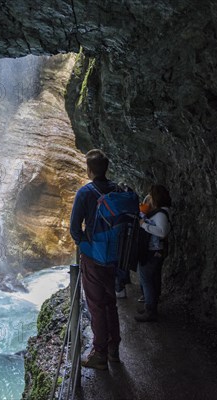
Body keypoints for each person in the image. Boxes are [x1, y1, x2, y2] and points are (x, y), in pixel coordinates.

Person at [69, 149, 121, 370]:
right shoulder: (117, 189)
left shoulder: (85, 192)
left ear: (89, 170)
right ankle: (113, 351)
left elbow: (74, 229)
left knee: (97, 305)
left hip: (93, 259)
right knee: (111, 303)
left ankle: (99, 353)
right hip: (115, 257)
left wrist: (87, 248)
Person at [135, 184, 172, 322]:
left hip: (153, 251)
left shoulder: (161, 214)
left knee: (147, 280)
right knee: (153, 279)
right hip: (156, 251)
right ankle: (151, 307)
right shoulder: (161, 211)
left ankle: (150, 310)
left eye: (151, 194)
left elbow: (162, 232)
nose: (149, 197)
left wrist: (144, 225)